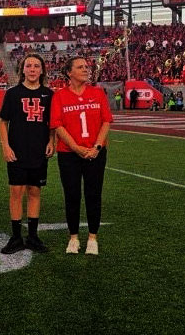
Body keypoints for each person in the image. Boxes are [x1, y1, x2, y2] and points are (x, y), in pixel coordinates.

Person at [50, 57, 113, 256]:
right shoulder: (59, 96)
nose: (86, 69)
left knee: (93, 195)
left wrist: (97, 146)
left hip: (95, 153)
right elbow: (57, 125)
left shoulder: (97, 93)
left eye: (86, 66)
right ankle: (74, 237)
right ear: (69, 72)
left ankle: (93, 237)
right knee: (72, 195)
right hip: (69, 154)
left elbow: (106, 121)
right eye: (80, 67)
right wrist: (75, 147)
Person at [0, 53, 54, 254]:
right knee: (16, 192)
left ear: (41, 70)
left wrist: (51, 141)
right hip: (17, 151)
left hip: (38, 151)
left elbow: (52, 124)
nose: (32, 69)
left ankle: (32, 236)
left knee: (35, 192)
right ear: (22, 69)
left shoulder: (49, 94)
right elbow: (3, 122)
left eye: (36, 66)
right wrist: (5, 146)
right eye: (28, 65)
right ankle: (15, 237)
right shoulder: (13, 94)